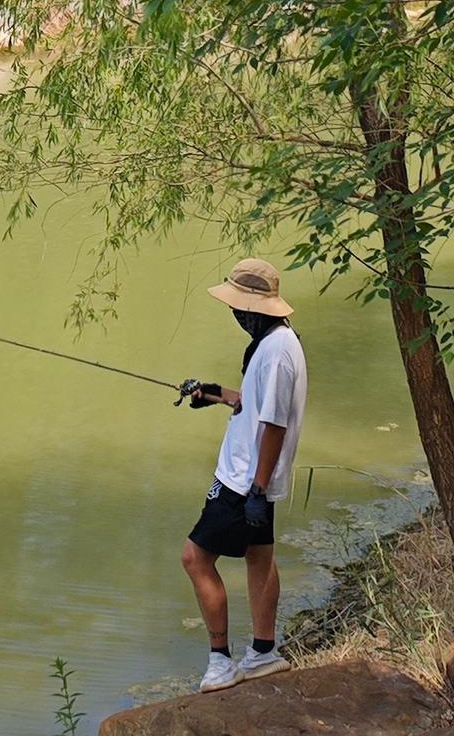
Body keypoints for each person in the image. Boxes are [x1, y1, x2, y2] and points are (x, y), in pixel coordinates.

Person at [181, 258, 308, 693]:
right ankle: (264, 652)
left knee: (195, 559)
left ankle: (221, 662)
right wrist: (213, 394)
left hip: (242, 479)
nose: (235, 316)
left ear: (257, 309)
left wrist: (255, 489)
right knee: (260, 558)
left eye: (239, 309)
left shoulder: (274, 353)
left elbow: (274, 424)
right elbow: (255, 404)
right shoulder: (279, 340)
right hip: (255, 477)